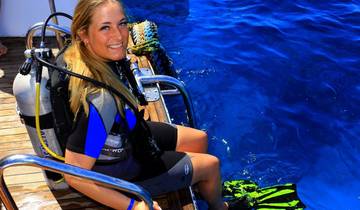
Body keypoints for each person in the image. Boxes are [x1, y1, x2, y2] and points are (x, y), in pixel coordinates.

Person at [63, 0, 229, 209]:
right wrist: (133, 206)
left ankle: (195, 183)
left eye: (122, 24)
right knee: (211, 166)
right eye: (105, 27)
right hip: (124, 168)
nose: (119, 35)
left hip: (127, 132)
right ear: (83, 35)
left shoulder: (88, 57)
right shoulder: (101, 99)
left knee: (199, 138)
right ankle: (218, 205)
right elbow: (75, 175)